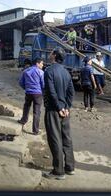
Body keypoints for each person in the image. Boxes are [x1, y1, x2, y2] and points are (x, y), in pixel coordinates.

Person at [42, 47, 75, 180]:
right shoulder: (66, 72)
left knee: (55, 139)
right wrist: (66, 107)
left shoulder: (49, 71)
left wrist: (59, 107)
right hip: (65, 112)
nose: (50, 54)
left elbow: (51, 92)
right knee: (67, 138)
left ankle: (58, 171)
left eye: (51, 53)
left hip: (53, 110)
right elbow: (71, 92)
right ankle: (70, 167)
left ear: (55, 55)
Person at [18, 57, 45, 135]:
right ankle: (35, 130)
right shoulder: (41, 72)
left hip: (28, 92)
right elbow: (43, 84)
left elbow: (20, 82)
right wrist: (42, 91)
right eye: (41, 63)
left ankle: (23, 120)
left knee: (26, 106)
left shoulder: (26, 71)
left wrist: (26, 88)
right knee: (36, 112)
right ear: (37, 63)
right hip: (37, 94)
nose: (42, 65)